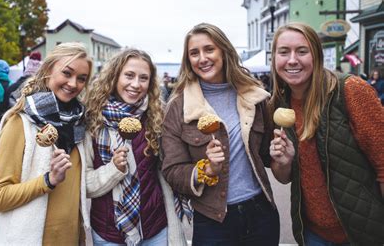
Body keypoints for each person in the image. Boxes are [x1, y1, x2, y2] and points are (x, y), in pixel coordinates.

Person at [161, 23, 279, 245]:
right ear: (188, 60)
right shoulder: (178, 106)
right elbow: (171, 170)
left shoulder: (252, 95)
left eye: (209, 49)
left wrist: (281, 153)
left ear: (223, 51)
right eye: (194, 53)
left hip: (261, 212)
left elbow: (266, 155)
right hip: (214, 221)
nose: (202, 58)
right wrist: (206, 169)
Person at [268, 22, 384, 245]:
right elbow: (283, 178)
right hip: (312, 234)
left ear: (316, 56)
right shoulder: (278, 104)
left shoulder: (350, 90)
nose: (292, 60)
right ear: (274, 58)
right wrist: (284, 161)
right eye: (284, 52)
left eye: (302, 51)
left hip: (362, 234)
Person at [0, 43, 92, 245]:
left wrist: (116, 168)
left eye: (81, 78)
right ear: (47, 71)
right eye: (67, 73)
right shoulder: (20, 122)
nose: (73, 83)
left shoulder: (79, 125)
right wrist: (48, 180)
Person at [84, 48, 187, 245]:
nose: (136, 84)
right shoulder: (92, 120)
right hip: (108, 233)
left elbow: (170, 169)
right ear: (115, 77)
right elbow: (85, 186)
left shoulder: (156, 117)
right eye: (129, 75)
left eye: (143, 78)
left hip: (155, 228)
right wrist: (114, 169)